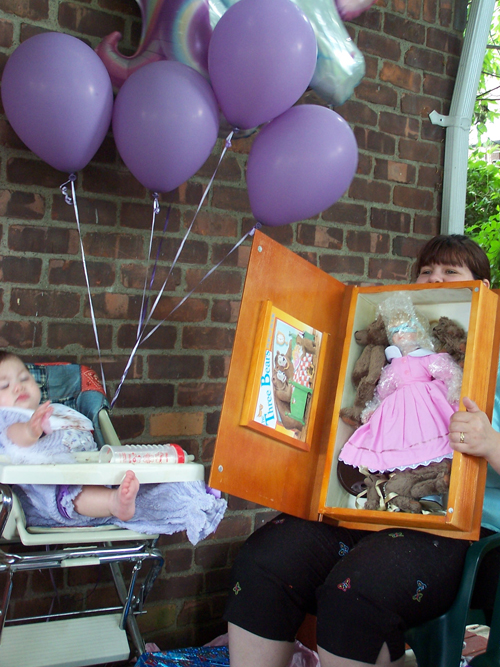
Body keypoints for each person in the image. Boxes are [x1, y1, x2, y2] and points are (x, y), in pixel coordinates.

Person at [224, 234, 500, 667]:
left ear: (483, 286)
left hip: (458, 531)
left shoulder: (495, 360)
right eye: (426, 270)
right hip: (367, 507)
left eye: (450, 271)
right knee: (266, 560)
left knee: (355, 592)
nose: (434, 278)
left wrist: (491, 444)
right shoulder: (389, 351)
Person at [0, 352, 227, 545]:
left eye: (24, 378)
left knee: (132, 478)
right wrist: (31, 430)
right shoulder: (8, 420)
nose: (18, 386)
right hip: (47, 489)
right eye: (4, 385)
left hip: (89, 468)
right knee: (71, 493)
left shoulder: (55, 411)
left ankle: (186, 497)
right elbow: (16, 436)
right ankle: (114, 503)